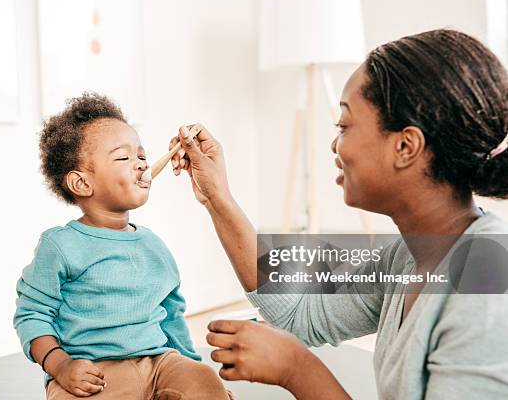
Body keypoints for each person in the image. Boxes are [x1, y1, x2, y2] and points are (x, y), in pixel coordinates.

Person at [169, 29, 508, 399]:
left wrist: (297, 369)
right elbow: (299, 311)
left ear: (406, 146)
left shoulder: (486, 282)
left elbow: (297, 344)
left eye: (344, 125)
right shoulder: (409, 256)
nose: (335, 144)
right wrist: (217, 197)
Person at [12, 93, 231, 399]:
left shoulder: (154, 246)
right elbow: (32, 315)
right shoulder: (60, 245)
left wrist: (195, 374)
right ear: (82, 183)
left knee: (202, 379)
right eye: (123, 157)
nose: (140, 164)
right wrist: (60, 366)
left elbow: (172, 315)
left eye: (141, 156)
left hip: (160, 363)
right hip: (92, 373)